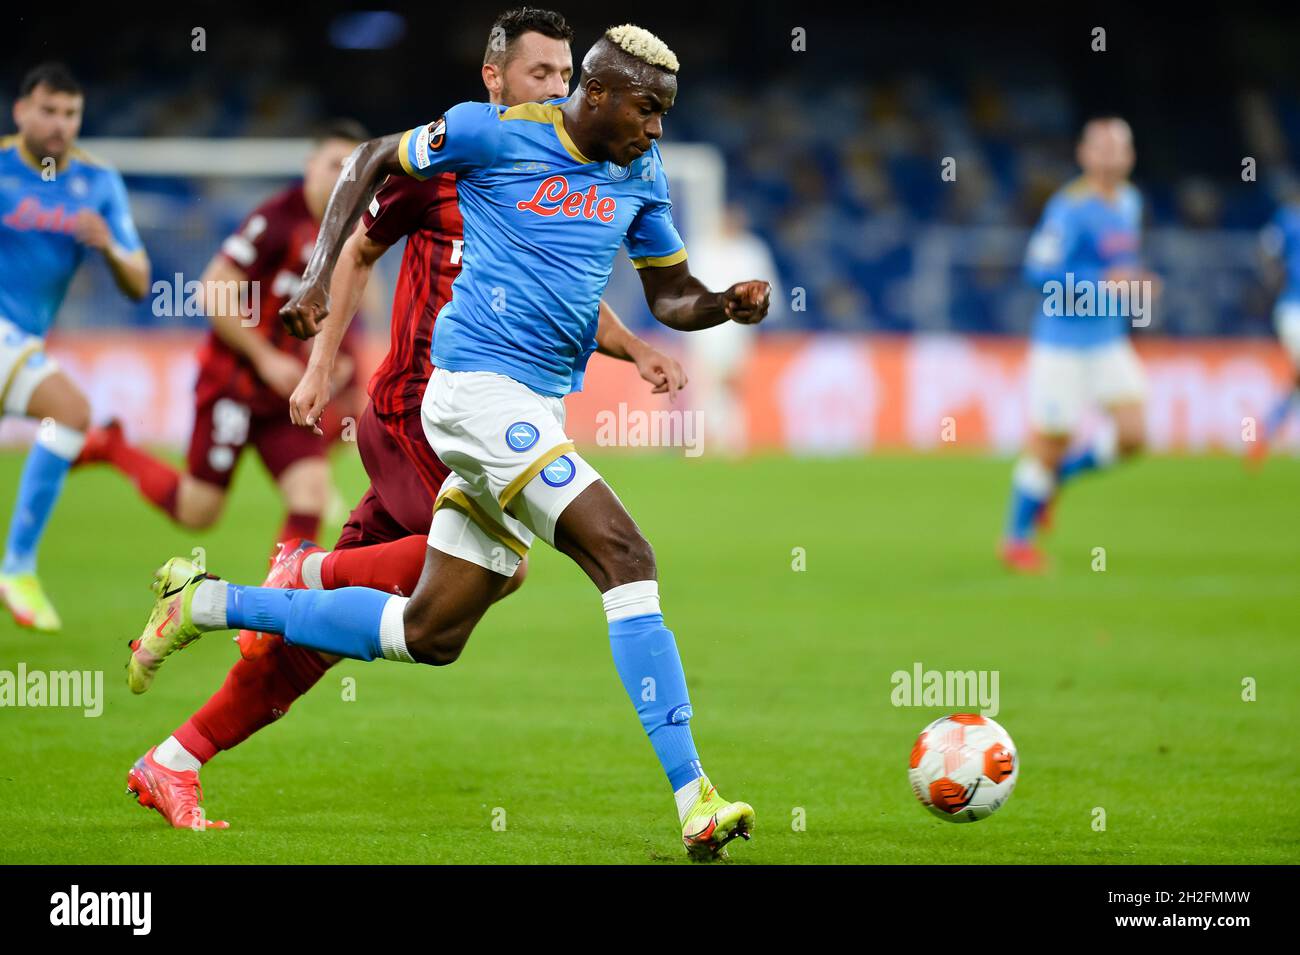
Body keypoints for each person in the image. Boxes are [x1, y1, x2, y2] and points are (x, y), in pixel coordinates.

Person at [129, 24, 769, 861]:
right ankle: (696, 797)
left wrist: (724, 303)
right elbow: (370, 159)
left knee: (430, 632)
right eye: (647, 110)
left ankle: (210, 602)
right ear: (601, 94)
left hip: (535, 405)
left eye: (664, 116)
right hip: (467, 394)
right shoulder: (491, 134)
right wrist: (318, 281)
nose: (657, 131)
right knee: (626, 553)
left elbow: (672, 293)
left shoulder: (639, 172)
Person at [77, 121, 369, 551]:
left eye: (352, 169)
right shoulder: (275, 220)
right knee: (199, 513)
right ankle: (113, 447)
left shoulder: (347, 232)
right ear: (309, 165)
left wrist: (337, 358)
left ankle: (269, 614)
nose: (342, 176)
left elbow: (340, 302)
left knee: (310, 494)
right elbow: (212, 289)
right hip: (232, 385)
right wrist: (266, 357)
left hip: (281, 396)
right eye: (334, 164)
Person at [0, 62, 150, 631]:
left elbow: (138, 282)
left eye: (70, 113)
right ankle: (16, 568)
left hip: (21, 343)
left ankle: (16, 568)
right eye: (48, 110)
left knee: (66, 415)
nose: (60, 124)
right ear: (21, 111)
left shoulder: (98, 183)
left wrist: (109, 246)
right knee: (70, 410)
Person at [1001, 117, 1158, 573]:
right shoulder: (1068, 209)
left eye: (1119, 149)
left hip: (1107, 339)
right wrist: (1102, 283)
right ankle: (1015, 540)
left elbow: (1122, 267)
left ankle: (1058, 480)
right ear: (1084, 155)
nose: (1111, 157)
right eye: (1102, 148)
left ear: (1130, 157)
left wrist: (1136, 285)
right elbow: (1038, 273)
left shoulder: (1130, 201)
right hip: (1062, 344)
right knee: (1052, 442)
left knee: (1133, 436)